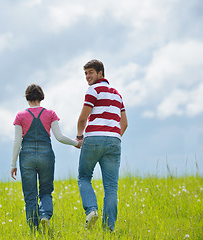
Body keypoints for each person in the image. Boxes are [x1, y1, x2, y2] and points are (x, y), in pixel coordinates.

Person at [11, 84, 82, 233]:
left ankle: (34, 231)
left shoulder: (20, 116)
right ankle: (45, 216)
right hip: (46, 155)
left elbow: (17, 141)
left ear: (27, 97)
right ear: (41, 96)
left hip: (27, 156)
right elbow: (60, 137)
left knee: (30, 196)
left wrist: (13, 164)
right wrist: (76, 143)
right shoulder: (50, 114)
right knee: (45, 191)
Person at [76, 59, 128, 231]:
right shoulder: (117, 94)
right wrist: (113, 136)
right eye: (85, 74)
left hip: (93, 139)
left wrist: (79, 136)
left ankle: (91, 210)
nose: (87, 77)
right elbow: (125, 123)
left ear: (101, 73)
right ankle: (108, 229)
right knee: (111, 188)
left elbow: (83, 118)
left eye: (90, 72)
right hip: (114, 141)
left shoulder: (93, 90)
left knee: (84, 177)